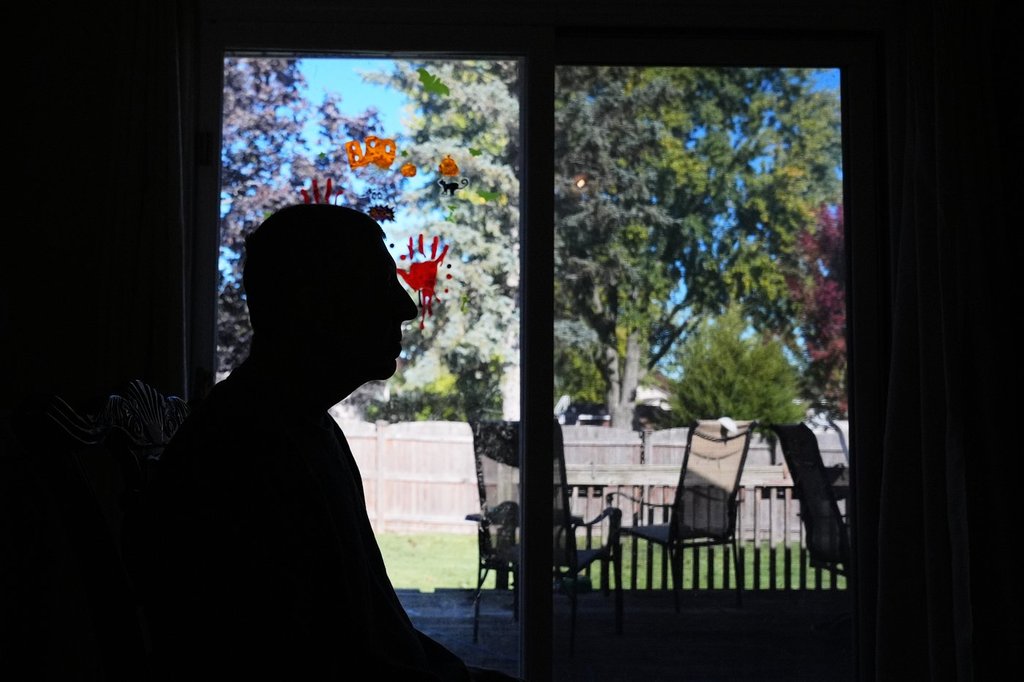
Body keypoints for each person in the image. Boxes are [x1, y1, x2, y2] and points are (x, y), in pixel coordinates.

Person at [125, 203, 518, 681]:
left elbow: (369, 638)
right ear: (316, 303)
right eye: (378, 283)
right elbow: (334, 660)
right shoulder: (253, 454)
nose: (407, 306)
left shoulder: (293, 427)